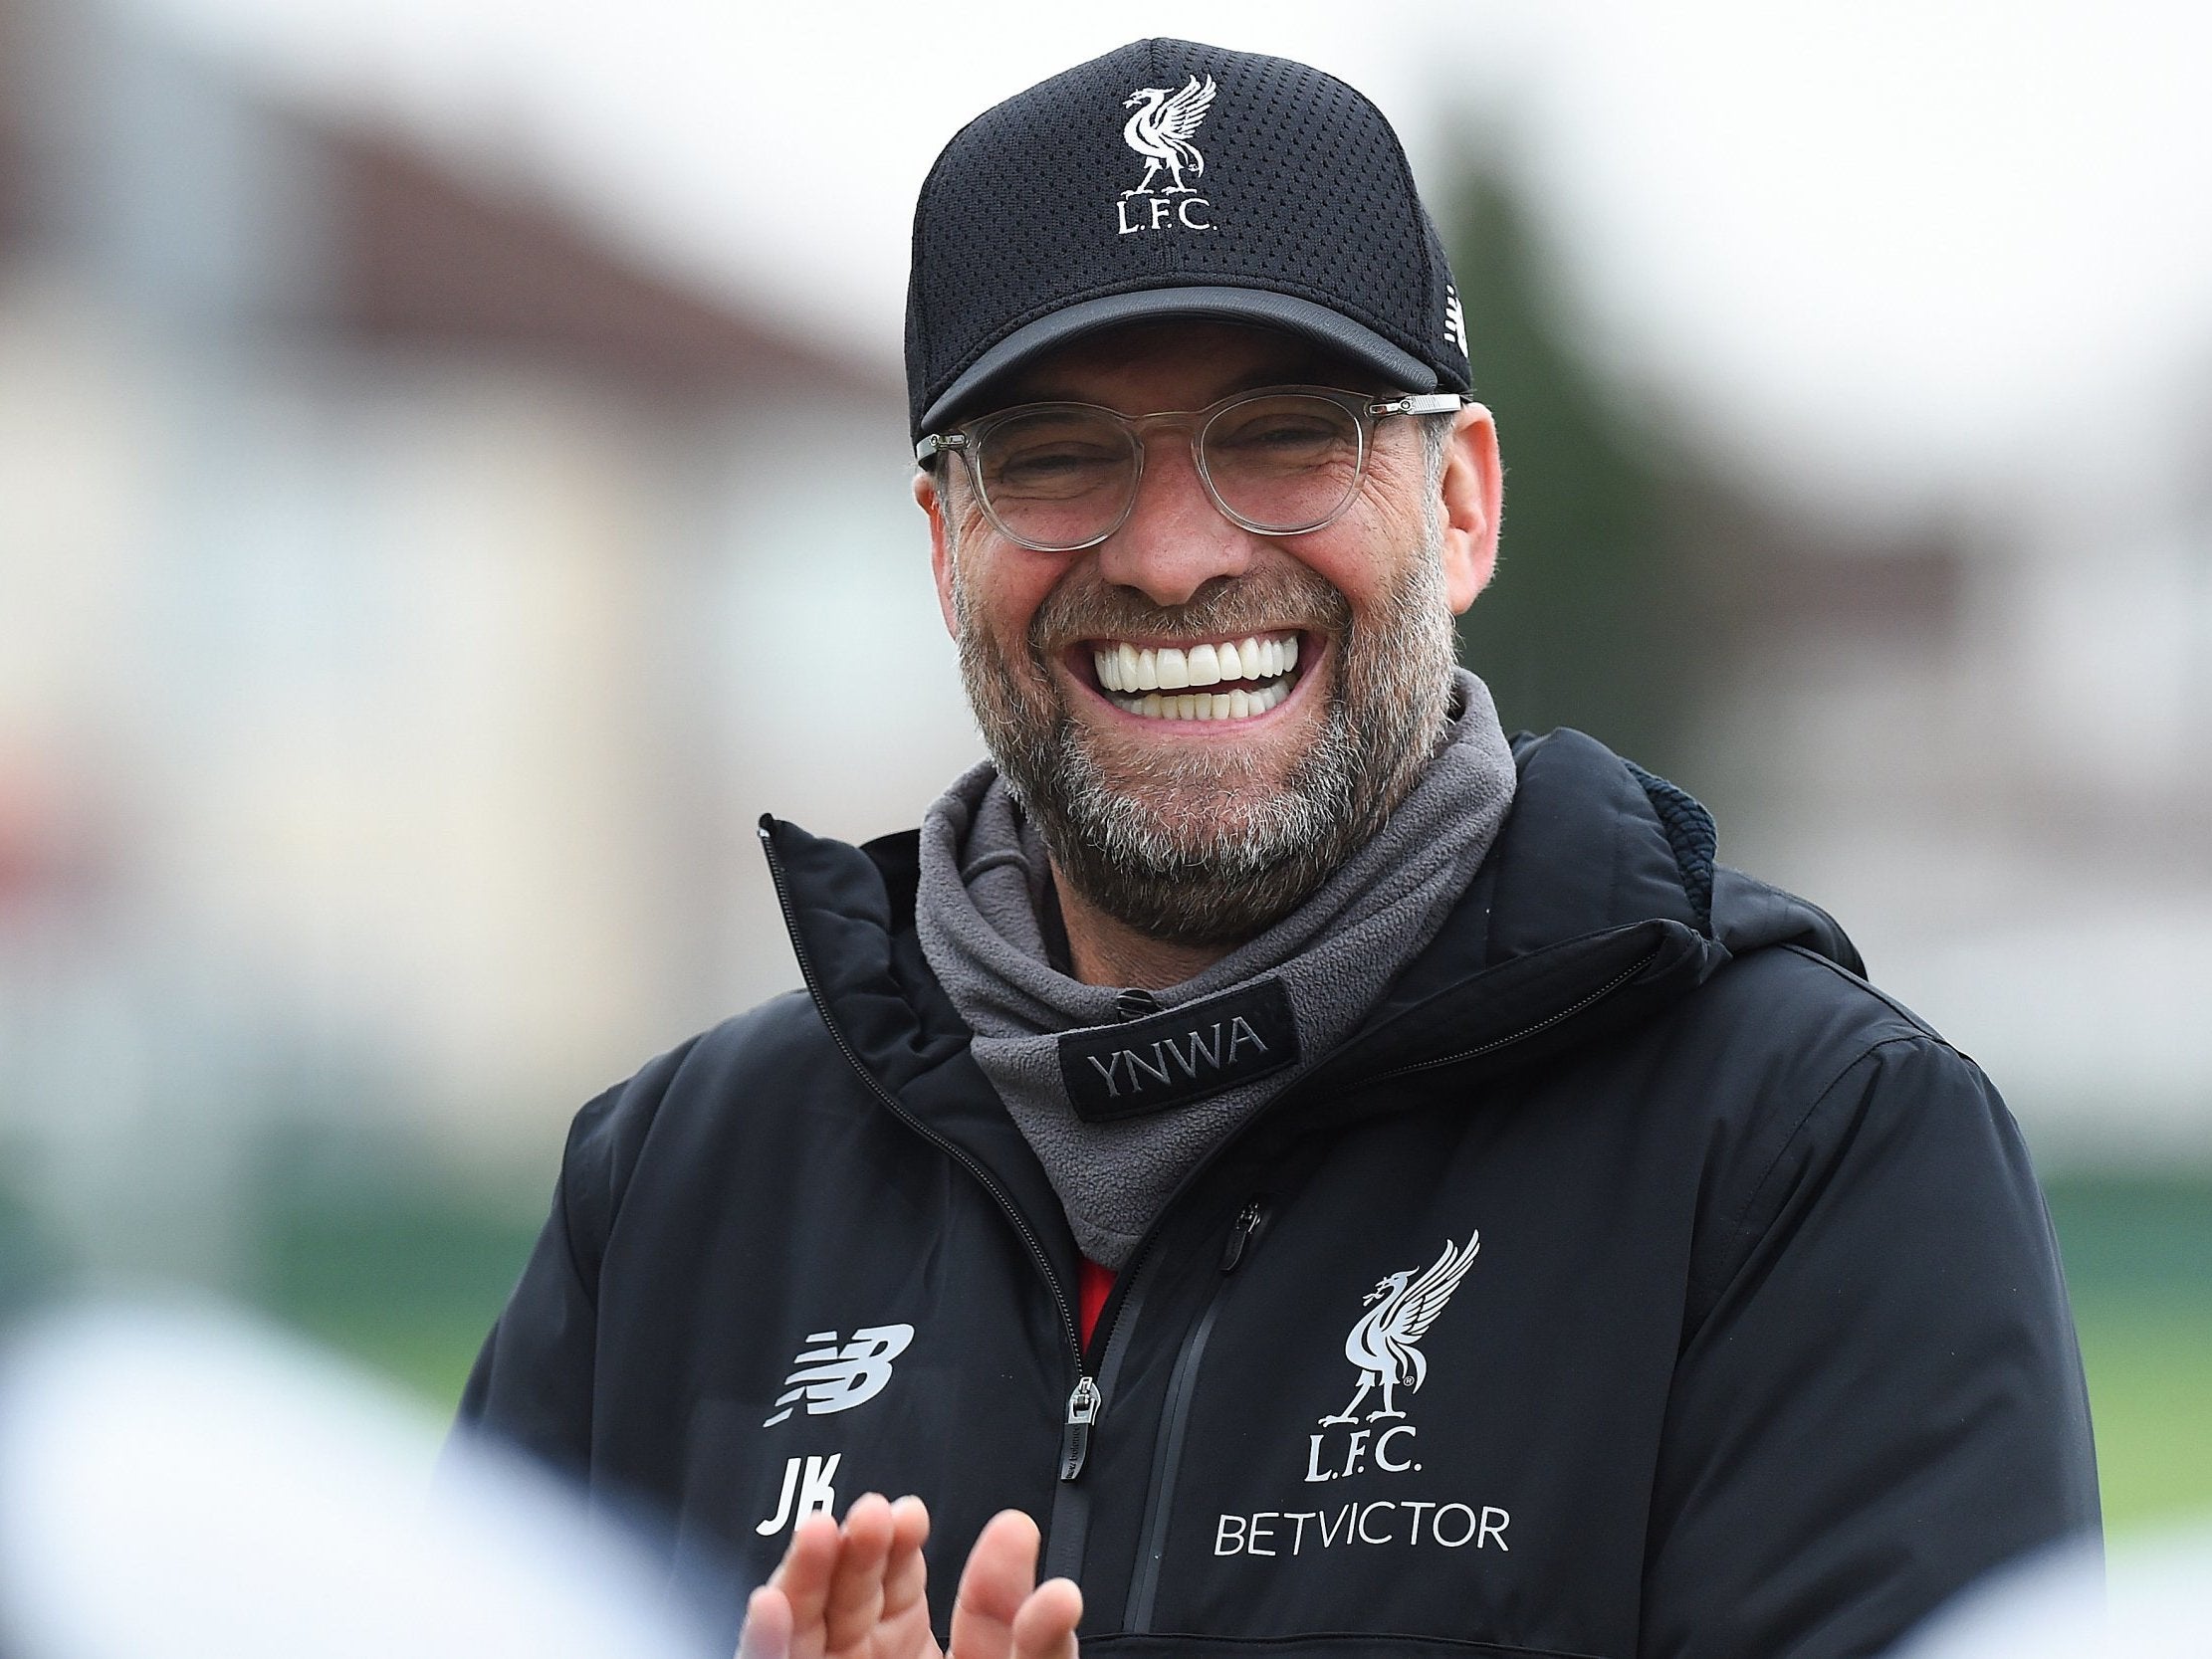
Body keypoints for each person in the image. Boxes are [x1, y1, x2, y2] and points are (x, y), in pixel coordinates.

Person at [457, 38, 2101, 1659]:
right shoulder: (673, 1192)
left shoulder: (1805, 1146)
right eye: (1051, 458)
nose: (1172, 557)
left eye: (1284, 433)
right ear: (944, 546)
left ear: (1457, 504)